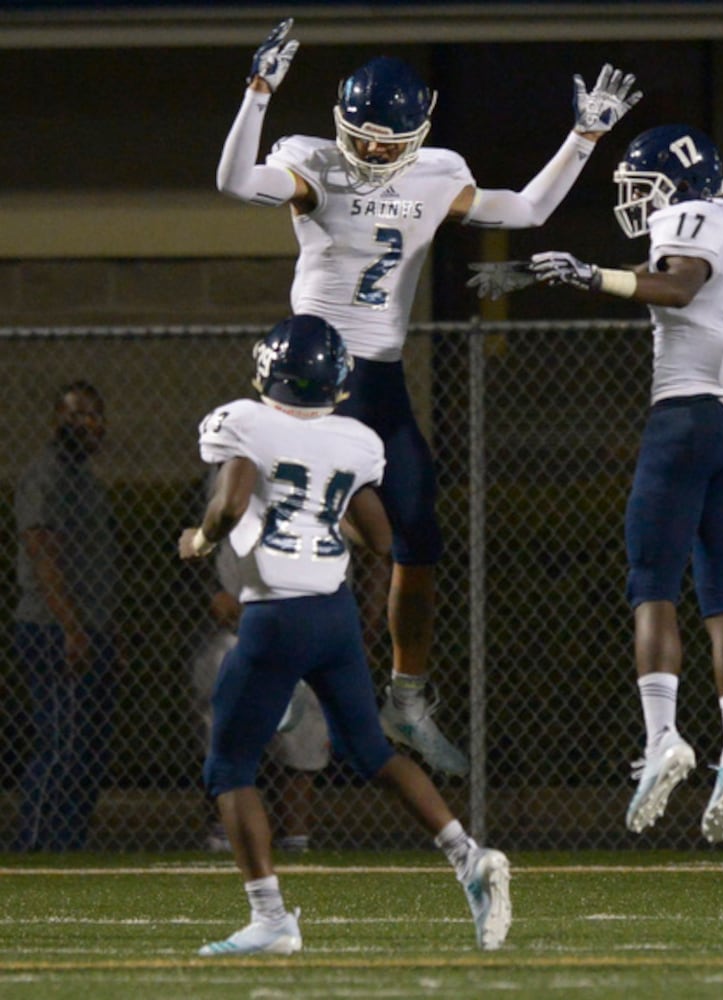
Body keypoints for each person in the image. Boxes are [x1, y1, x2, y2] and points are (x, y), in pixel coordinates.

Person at [216, 18, 642, 776]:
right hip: (312, 379)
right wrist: (257, 94)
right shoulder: (313, 162)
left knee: (418, 535)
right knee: (328, 528)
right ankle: (279, 672)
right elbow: (235, 182)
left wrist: (582, 138)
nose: (377, 152)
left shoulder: (437, 173)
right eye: (365, 137)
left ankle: (406, 698)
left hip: (378, 377)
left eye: (391, 139)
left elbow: (525, 211)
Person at [183, 314, 510, 956]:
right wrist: (322, 517)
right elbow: (380, 538)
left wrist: (200, 539)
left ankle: (272, 919)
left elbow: (229, 501)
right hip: (331, 613)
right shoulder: (354, 438)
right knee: (373, 752)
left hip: (276, 615)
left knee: (228, 767)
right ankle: (467, 856)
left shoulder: (242, 421)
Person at [529, 124, 723, 843]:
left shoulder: (693, 218)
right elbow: (683, 275)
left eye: (643, 186)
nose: (637, 201)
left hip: (684, 418)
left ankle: (664, 739)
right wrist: (598, 269)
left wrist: (593, 275)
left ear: (678, 185)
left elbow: (679, 286)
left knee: (653, 584)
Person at [188, 473, 330, 854]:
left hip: (293, 625)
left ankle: (296, 840)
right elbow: (190, 541)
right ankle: (222, 832)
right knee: (226, 731)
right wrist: (211, 593)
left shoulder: (311, 468)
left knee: (301, 736)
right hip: (232, 630)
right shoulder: (219, 469)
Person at [12, 381, 119, 852]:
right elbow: (42, 552)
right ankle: (34, 844)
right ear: (57, 420)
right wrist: (71, 627)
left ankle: (69, 843)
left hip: (90, 627)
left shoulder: (84, 479)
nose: (88, 424)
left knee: (89, 750)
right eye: (77, 415)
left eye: (94, 416)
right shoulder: (46, 475)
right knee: (61, 745)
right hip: (53, 628)